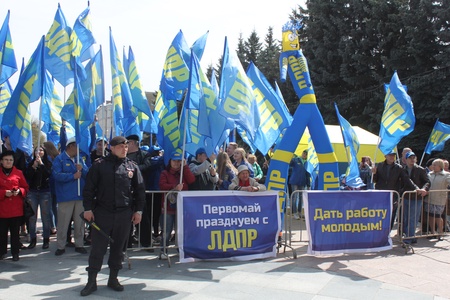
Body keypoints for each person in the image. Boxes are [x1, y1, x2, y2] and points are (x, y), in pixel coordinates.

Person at [80, 136, 146, 296]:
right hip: (103, 213)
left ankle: (113, 278)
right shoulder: (99, 166)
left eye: (126, 146)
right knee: (98, 249)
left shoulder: (132, 167)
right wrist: (87, 209)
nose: (124, 149)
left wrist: (138, 211)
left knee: (118, 249)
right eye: (121, 146)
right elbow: (89, 189)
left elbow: (140, 191)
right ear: (111, 147)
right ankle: (91, 281)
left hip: (124, 214)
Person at [52, 137, 89, 256]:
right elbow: (56, 175)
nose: (79, 149)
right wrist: (72, 176)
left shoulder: (80, 160)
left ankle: (79, 244)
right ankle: (61, 246)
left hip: (79, 197)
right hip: (65, 197)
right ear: (71, 146)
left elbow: (88, 175)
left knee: (79, 223)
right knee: (63, 223)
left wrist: (82, 170)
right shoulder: (60, 159)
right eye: (77, 147)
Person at [159, 150, 195, 259]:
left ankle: (181, 250)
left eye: (178, 161)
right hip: (168, 207)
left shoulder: (183, 172)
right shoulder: (165, 173)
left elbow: (191, 180)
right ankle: (163, 250)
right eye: (174, 161)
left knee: (180, 230)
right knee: (166, 231)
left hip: (181, 207)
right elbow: (162, 185)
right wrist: (174, 187)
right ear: (170, 161)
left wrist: (186, 167)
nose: (176, 163)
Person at [372, 151, 416, 230]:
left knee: (391, 215)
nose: (392, 157)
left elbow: (406, 180)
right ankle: (379, 231)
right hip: (381, 195)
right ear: (385, 156)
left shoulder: (398, 167)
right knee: (380, 214)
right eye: (390, 155)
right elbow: (375, 180)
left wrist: (416, 188)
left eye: (393, 155)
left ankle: (388, 232)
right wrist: (374, 173)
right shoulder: (380, 165)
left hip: (393, 195)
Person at [126, 134, 156, 248]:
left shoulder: (144, 154)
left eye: (127, 142)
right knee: (126, 219)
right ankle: (126, 243)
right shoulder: (123, 156)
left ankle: (146, 243)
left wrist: (133, 169)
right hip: (126, 191)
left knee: (143, 218)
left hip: (139, 190)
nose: (125, 145)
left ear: (133, 143)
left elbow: (148, 165)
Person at [0, 151, 29, 261]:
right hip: (2, 208)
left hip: (16, 208)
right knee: (2, 233)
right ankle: (2, 251)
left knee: (15, 233)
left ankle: (15, 252)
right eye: (6, 160)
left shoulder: (19, 173)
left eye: (11, 160)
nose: (8, 162)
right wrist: (3, 193)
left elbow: (25, 187)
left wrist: (19, 191)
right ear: (1, 161)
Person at [25, 146, 53, 250]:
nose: (39, 152)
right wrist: (33, 167)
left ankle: (46, 240)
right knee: (32, 218)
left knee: (45, 217)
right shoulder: (30, 163)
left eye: (41, 150)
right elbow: (27, 176)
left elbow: (48, 174)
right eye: (37, 150)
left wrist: (41, 165)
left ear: (44, 152)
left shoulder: (48, 163)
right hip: (33, 193)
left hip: (44, 193)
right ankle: (33, 239)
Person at [402, 152, 430, 244]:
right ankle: (410, 236)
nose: (412, 159)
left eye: (414, 157)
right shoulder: (403, 169)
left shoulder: (420, 169)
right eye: (410, 158)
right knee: (405, 218)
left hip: (416, 197)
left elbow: (427, 182)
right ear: (405, 160)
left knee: (413, 218)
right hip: (406, 196)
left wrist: (423, 189)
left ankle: (408, 238)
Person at [424, 159, 450, 241]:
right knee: (431, 215)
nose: (433, 166)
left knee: (438, 216)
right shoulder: (429, 174)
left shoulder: (446, 175)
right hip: (430, 198)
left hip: (439, 199)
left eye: (435, 165)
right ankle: (433, 232)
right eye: (432, 164)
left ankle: (440, 232)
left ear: (440, 166)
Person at [289, 150, 310, 219]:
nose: (305, 155)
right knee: (294, 197)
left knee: (301, 198)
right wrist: (290, 156)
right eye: (304, 153)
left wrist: (308, 185)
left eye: (306, 154)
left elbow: (308, 174)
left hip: (302, 182)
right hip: (294, 181)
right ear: (302, 153)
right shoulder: (296, 159)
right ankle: (294, 213)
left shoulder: (308, 163)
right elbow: (290, 163)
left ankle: (299, 212)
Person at [43, 141, 59, 235]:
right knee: (55, 207)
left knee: (50, 207)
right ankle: (57, 225)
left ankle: (52, 226)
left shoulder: (48, 158)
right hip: (55, 185)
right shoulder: (57, 157)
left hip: (50, 184)